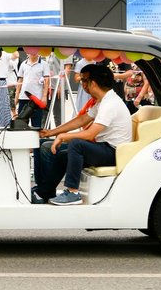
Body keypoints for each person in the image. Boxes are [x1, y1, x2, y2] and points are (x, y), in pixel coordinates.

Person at [39, 64, 132, 206]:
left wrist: (63, 136)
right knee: (63, 155)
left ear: (93, 83)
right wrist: (52, 132)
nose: (81, 83)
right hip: (105, 148)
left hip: (113, 152)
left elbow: (90, 134)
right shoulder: (103, 100)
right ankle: (44, 192)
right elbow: (81, 120)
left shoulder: (110, 104)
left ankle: (73, 193)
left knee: (77, 144)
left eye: (83, 80)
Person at [14, 51, 50, 129]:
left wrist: (44, 96)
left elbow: (47, 81)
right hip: (23, 97)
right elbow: (20, 80)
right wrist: (17, 96)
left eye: (35, 50)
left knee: (36, 124)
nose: (33, 52)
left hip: (36, 99)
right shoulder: (24, 64)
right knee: (21, 123)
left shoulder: (44, 64)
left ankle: (36, 140)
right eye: (31, 50)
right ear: (27, 52)